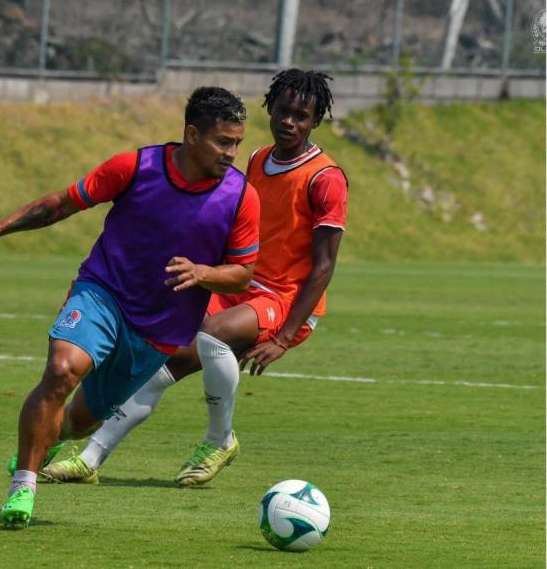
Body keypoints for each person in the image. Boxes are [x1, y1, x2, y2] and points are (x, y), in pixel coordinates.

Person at [0, 87, 260, 527]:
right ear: (192, 134)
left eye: (237, 143)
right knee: (61, 371)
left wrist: (205, 273)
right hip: (103, 293)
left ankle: (47, 441)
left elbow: (244, 271)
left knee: (79, 424)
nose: (232, 153)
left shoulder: (241, 196)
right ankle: (23, 487)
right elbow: (63, 203)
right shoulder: (136, 167)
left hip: (158, 331)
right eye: (223, 142)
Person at [41, 68, 348, 487]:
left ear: (315, 120)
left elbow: (325, 265)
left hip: (286, 299)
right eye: (283, 111)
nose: (290, 122)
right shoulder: (257, 159)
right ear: (270, 110)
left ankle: (219, 440)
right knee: (158, 365)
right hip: (241, 287)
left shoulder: (325, 178)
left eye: (302, 115)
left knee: (214, 336)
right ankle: (90, 459)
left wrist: (284, 335)